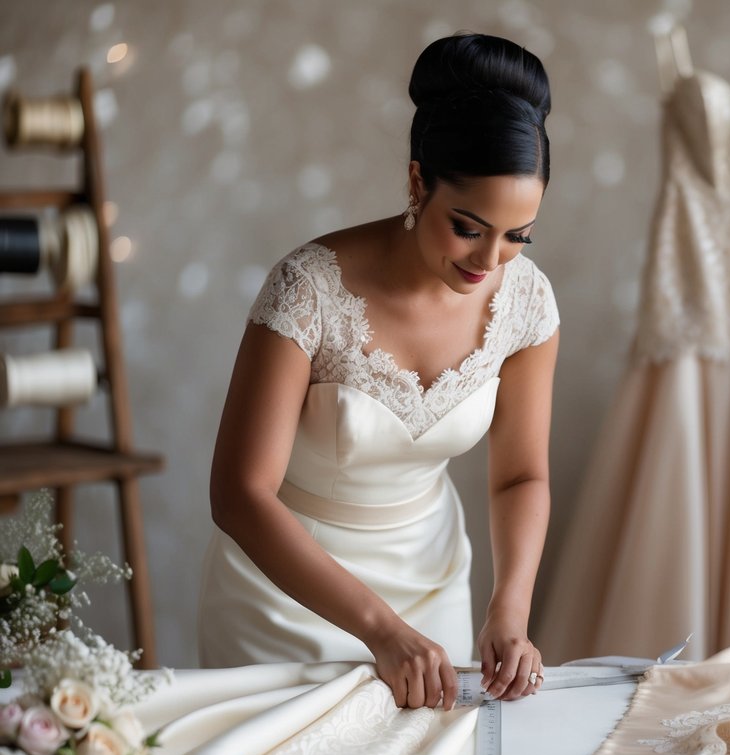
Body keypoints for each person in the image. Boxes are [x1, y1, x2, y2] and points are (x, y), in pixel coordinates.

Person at [197, 32, 559, 712]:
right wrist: (380, 631)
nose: (490, 261)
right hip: (284, 600)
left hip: (432, 589)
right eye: (468, 226)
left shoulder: (527, 303)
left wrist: (508, 611)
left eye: (517, 236)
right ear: (419, 181)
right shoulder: (307, 289)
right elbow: (238, 494)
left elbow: (521, 475)